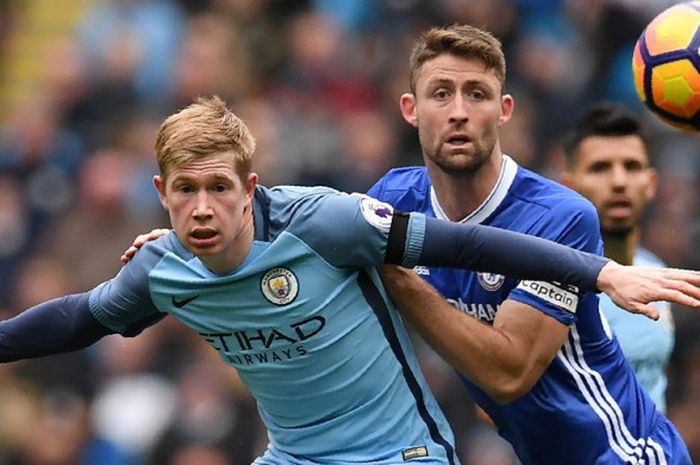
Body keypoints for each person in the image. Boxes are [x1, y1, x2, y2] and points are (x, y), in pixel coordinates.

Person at [3, 97, 699, 465]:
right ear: (161, 191)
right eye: (186, 190)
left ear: (251, 187)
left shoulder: (328, 223)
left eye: (220, 187)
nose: (204, 207)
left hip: (402, 454)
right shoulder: (161, 268)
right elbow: (75, 318)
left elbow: (472, 240)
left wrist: (603, 270)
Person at [367, 24, 693, 464]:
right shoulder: (394, 200)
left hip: (625, 453)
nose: (458, 111)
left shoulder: (559, 216)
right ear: (411, 109)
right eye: (441, 94)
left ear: (504, 111)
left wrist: (400, 281)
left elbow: (508, 374)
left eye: (477, 94)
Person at [561, 102, 675, 413]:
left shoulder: (657, 273)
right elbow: (494, 407)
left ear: (651, 183)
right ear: (568, 187)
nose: (619, 181)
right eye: (600, 168)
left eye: (632, 166)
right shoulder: (551, 284)